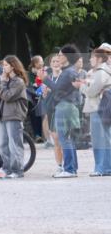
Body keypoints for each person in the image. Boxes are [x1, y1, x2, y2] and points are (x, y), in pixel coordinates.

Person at [44, 45, 84, 178]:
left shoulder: (68, 72)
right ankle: (72, 168)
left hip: (65, 107)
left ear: (67, 57)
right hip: (69, 107)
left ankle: (69, 169)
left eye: (60, 55)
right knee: (69, 139)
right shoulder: (71, 71)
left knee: (64, 138)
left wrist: (45, 79)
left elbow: (56, 89)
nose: (58, 57)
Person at [0, 55, 29, 180]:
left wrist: (3, 83)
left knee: (14, 144)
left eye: (6, 65)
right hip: (3, 115)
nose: (3, 67)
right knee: (2, 144)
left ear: (13, 66)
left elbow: (7, 96)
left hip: (14, 115)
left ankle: (17, 170)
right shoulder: (5, 80)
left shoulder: (18, 81)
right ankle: (6, 169)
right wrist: (2, 83)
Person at [81, 43, 111, 177]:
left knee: (100, 139)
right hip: (100, 108)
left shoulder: (100, 73)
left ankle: (102, 168)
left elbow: (91, 91)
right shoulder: (98, 72)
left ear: (99, 59)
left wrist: (82, 85)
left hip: (98, 108)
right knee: (103, 138)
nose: (90, 60)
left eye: (92, 57)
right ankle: (103, 167)